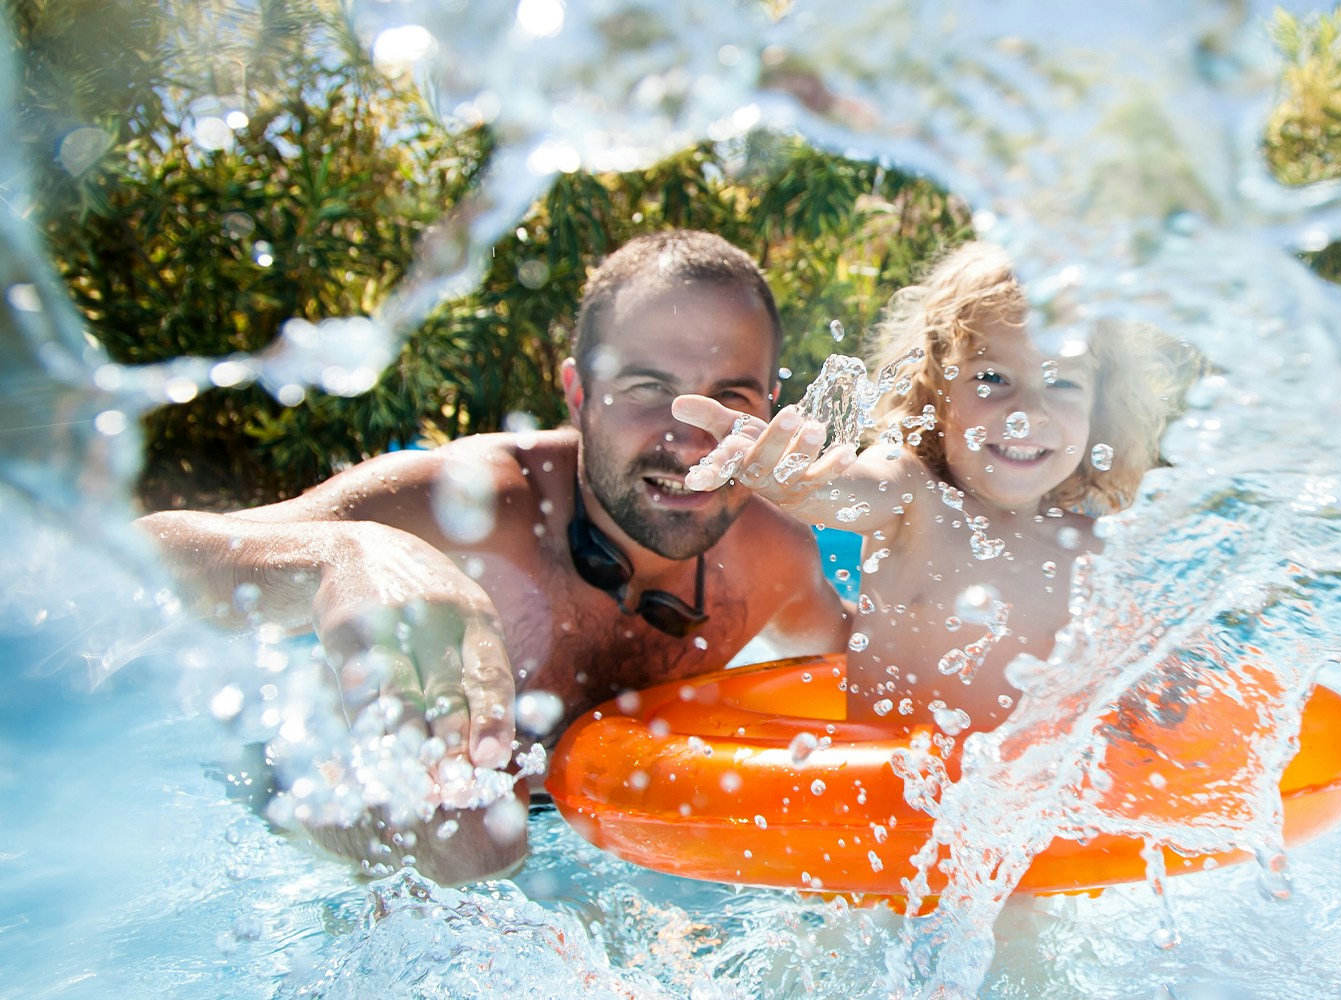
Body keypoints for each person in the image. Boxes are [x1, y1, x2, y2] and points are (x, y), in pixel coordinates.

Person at [138, 230, 849, 883]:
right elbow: (145, 559)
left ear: (770, 405)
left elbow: (884, 671)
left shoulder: (774, 555)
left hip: (598, 861)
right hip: (320, 845)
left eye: (729, 397)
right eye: (648, 389)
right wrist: (343, 556)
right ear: (579, 394)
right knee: (472, 836)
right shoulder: (467, 506)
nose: (692, 440)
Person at [674, 241, 1182, 732]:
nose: (1028, 412)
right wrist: (796, 482)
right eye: (992, 378)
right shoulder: (915, 494)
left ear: (1101, 408)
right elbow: (853, 489)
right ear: (937, 391)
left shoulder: (1095, 551)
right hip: (888, 802)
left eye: (1063, 383)